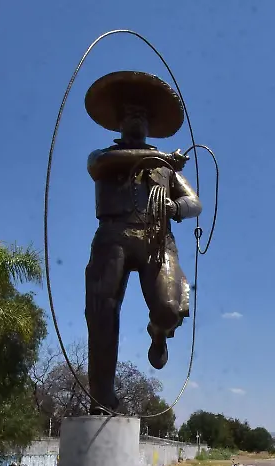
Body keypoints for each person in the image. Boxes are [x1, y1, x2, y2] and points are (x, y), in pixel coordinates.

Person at [82, 70, 202, 413]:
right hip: (113, 237)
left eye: (142, 116)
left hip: (156, 240)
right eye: (129, 114)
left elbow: (195, 202)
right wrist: (160, 158)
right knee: (101, 312)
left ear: (150, 124)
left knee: (168, 307)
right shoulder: (105, 157)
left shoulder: (167, 168)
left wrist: (175, 205)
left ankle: (159, 332)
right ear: (119, 122)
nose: (136, 120)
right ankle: (102, 397)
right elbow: (100, 164)